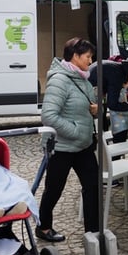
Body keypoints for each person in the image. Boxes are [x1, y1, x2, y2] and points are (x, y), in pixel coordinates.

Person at [38, 38, 100, 242]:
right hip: (62, 147)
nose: (91, 61)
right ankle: (44, 227)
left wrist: (94, 110)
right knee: (54, 189)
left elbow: (88, 106)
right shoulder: (59, 79)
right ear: (75, 56)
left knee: (92, 187)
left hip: (83, 147)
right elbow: (49, 116)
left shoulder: (82, 78)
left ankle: (93, 232)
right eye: (88, 56)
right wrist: (75, 131)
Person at [88, 58, 128, 143]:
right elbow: (113, 104)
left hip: (90, 89)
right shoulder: (118, 74)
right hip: (89, 95)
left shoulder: (118, 68)